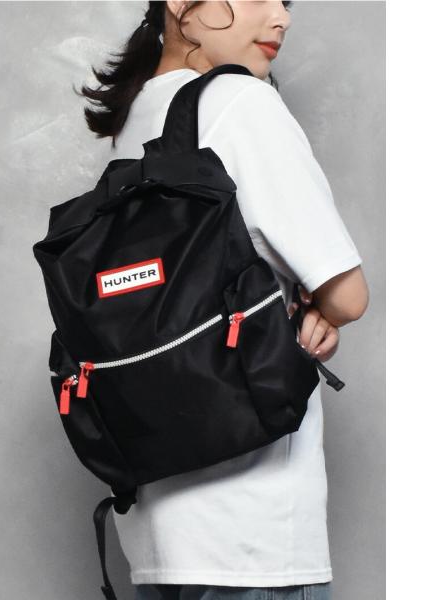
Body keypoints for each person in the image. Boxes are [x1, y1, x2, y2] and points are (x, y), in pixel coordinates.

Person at [77, 2, 370, 599]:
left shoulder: (136, 118)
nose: (281, 18)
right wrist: (316, 308)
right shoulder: (240, 104)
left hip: (156, 538)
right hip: (252, 536)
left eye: (285, 1)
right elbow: (348, 294)